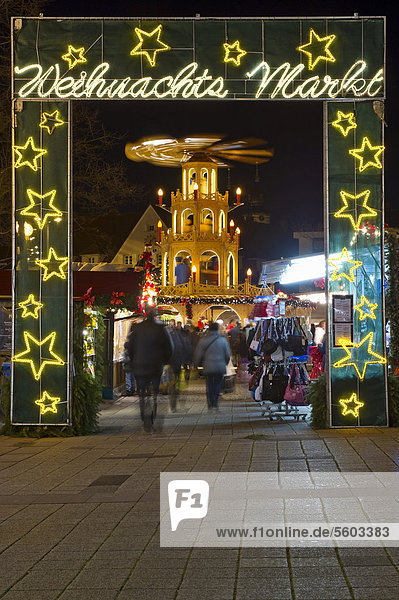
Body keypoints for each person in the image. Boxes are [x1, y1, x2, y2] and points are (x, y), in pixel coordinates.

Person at [127, 307, 173, 432]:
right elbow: (170, 347)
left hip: (140, 364)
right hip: (155, 365)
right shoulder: (161, 329)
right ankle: (153, 413)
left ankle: (144, 415)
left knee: (142, 391)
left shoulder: (137, 328)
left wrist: (133, 359)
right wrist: (165, 360)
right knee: (155, 392)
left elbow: (129, 347)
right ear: (155, 316)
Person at [194, 322, 231, 410]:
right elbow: (227, 354)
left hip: (208, 366)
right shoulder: (223, 340)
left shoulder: (203, 340)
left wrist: (196, 363)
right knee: (218, 383)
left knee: (210, 384)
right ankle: (215, 401)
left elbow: (198, 353)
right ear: (217, 329)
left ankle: (210, 402)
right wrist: (225, 363)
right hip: (220, 366)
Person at [168, 321, 191, 411]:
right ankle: (175, 398)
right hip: (177, 362)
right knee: (177, 381)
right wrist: (187, 361)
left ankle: (173, 401)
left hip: (171, 362)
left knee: (173, 381)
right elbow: (186, 347)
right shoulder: (181, 336)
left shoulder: (170, 337)